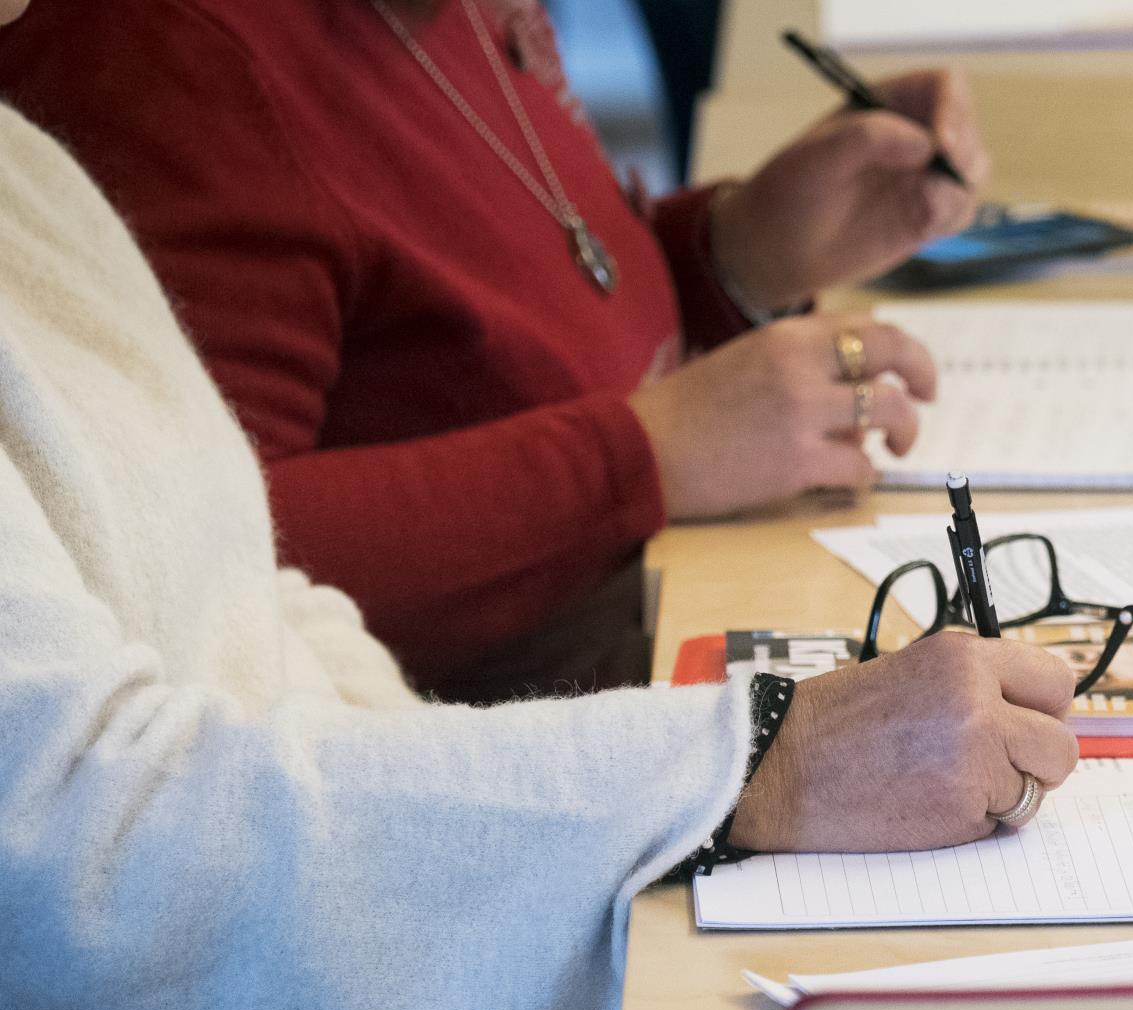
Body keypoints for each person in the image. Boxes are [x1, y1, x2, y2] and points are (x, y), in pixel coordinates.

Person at [0, 15, 1073, 1010]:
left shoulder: (23, 165)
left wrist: (725, 265)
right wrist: (748, 766)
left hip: (363, 917)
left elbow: (233, 567)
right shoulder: (173, 54)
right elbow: (90, 845)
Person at [0, 0, 990, 701]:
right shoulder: (173, 60)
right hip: (457, 752)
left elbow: (525, 316)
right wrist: (641, 456)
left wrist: (737, 258)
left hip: (634, 614)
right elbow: (199, 568)